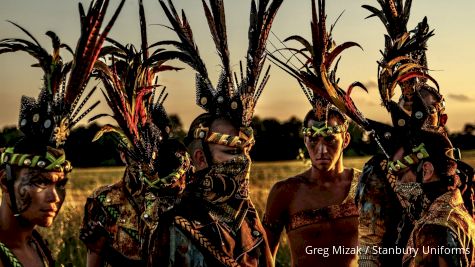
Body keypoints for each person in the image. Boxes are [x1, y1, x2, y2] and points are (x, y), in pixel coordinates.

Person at [147, 0, 282, 266]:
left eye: (245, 151)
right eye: (231, 152)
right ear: (199, 158)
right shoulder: (174, 227)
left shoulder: (249, 220)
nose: (243, 162)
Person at [0, 0, 123, 265]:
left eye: (60, 183)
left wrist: (95, 254)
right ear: (4, 181)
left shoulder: (37, 245)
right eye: (40, 181)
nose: (55, 197)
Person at [79, 1, 190, 266]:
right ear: (122, 153)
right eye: (137, 149)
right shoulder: (104, 202)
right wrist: (101, 251)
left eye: (154, 147)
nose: (149, 158)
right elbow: (93, 260)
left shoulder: (185, 194)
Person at [263, 103, 361, 266]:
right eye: (314, 140)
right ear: (305, 140)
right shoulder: (286, 192)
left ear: (345, 140)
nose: (322, 150)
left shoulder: (365, 185)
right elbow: (265, 255)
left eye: (330, 139)